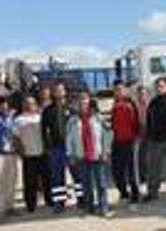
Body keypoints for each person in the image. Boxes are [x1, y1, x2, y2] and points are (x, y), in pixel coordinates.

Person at [66, 92, 112, 216]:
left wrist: (106, 151)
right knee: (86, 184)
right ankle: (89, 207)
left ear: (89, 103)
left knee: (101, 183)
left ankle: (103, 206)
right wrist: (70, 154)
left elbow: (106, 135)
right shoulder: (72, 120)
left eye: (85, 102)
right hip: (81, 156)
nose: (82, 105)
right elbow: (69, 139)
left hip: (97, 155)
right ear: (77, 105)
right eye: (80, 102)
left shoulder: (98, 117)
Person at [14, 97, 52, 212]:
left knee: (47, 179)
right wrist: (20, 151)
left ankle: (49, 201)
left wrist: (48, 148)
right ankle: (31, 205)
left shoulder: (40, 118)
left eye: (32, 103)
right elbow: (15, 137)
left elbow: (48, 134)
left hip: (42, 153)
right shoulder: (18, 120)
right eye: (27, 103)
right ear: (23, 105)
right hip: (29, 154)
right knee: (30, 182)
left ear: (36, 105)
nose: (30, 106)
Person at [41, 82, 73, 213]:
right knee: (56, 176)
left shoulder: (71, 108)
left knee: (77, 174)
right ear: (53, 93)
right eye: (56, 90)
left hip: (71, 147)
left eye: (61, 90)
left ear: (65, 91)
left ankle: (82, 199)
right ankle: (59, 202)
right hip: (55, 148)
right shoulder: (48, 110)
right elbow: (43, 130)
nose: (59, 93)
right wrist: (47, 147)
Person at [110, 80, 141, 204]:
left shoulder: (130, 104)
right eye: (116, 90)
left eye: (120, 89)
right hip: (117, 141)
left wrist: (135, 138)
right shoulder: (114, 104)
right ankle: (123, 193)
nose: (118, 92)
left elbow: (136, 122)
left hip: (130, 141)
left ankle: (135, 194)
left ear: (125, 90)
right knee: (117, 170)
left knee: (131, 169)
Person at [134, 85, 151, 186]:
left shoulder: (152, 105)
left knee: (152, 156)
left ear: (147, 95)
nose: (142, 96)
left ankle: (152, 177)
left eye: (143, 94)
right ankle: (142, 178)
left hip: (151, 131)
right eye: (140, 94)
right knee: (141, 156)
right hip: (140, 132)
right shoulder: (135, 107)